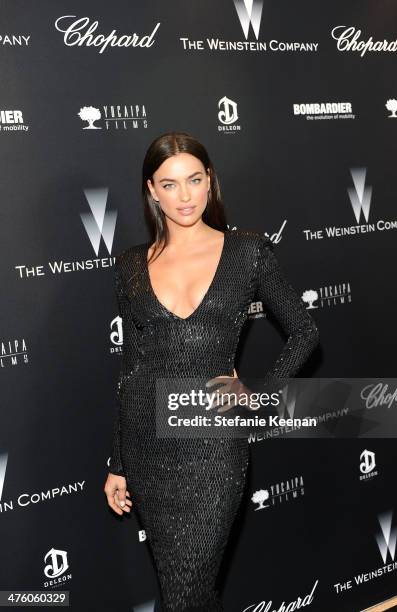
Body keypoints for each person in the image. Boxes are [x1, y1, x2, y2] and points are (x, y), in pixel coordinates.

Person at [103, 131, 319, 611]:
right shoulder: (131, 265)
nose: (184, 196)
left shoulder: (246, 252)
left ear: (210, 182)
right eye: (170, 183)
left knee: (186, 591)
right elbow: (130, 366)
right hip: (146, 442)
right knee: (188, 595)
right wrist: (117, 462)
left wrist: (257, 392)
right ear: (151, 190)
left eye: (194, 180)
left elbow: (304, 333)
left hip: (213, 444)